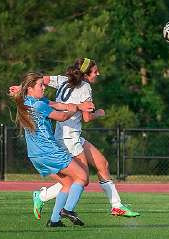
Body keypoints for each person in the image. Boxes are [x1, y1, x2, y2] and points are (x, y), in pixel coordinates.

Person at [29, 58, 139, 218]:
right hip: (70, 139)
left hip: (69, 136)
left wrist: (24, 88)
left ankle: (116, 206)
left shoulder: (62, 80)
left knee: (103, 164)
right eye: (95, 71)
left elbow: (42, 79)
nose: (98, 73)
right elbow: (87, 118)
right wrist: (99, 113)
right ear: (86, 74)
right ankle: (44, 198)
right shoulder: (85, 87)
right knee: (79, 179)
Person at [11, 72, 91, 227]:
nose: (44, 88)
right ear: (30, 89)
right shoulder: (38, 104)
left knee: (67, 182)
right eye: (41, 85)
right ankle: (67, 210)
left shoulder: (28, 101)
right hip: (49, 152)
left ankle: (54, 221)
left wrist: (76, 106)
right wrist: (74, 110)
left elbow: (57, 104)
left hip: (35, 155)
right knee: (82, 177)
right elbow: (62, 116)